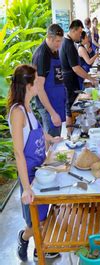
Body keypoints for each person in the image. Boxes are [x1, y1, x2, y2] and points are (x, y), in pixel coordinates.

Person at [7, 65, 62, 262]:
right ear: (29, 85)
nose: (40, 82)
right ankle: (24, 238)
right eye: (37, 80)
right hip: (29, 174)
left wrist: (51, 139)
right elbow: (19, 153)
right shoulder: (17, 112)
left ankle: (40, 249)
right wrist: (27, 188)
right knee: (36, 221)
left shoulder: (28, 106)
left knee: (43, 216)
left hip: (40, 170)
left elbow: (36, 131)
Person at [59, 19, 96, 130]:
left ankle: (73, 132)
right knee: (70, 109)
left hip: (70, 79)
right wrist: (89, 78)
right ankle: (71, 134)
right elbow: (76, 68)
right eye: (80, 32)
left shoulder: (69, 42)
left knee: (72, 107)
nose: (81, 35)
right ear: (73, 30)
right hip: (69, 80)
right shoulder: (68, 44)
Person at [32, 24, 66, 137]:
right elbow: (39, 87)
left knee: (57, 137)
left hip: (57, 102)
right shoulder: (42, 55)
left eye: (60, 41)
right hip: (48, 106)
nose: (59, 44)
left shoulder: (53, 50)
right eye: (57, 41)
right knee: (51, 139)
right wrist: (52, 113)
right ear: (50, 38)